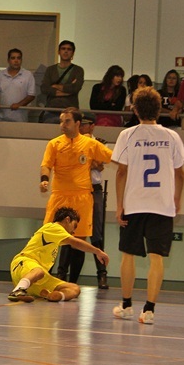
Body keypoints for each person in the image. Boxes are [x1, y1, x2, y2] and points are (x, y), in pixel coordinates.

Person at [111, 87, 184, 324]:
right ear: (159, 110)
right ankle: (150, 310)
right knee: (157, 258)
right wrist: (176, 199)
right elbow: (180, 173)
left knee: (128, 255)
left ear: (134, 109)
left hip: (134, 203)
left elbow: (121, 171)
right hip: (162, 205)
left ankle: (126, 305)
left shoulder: (127, 135)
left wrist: (119, 204)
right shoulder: (172, 136)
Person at [41, 107, 113, 285]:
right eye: (61, 121)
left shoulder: (90, 144)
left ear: (77, 124)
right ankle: (43, 278)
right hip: (59, 196)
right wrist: (44, 180)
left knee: (79, 241)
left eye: (67, 121)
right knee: (49, 238)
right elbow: (46, 165)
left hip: (82, 198)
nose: (62, 125)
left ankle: (72, 282)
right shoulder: (54, 144)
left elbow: (114, 157)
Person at [8, 206, 109, 303]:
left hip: (37, 280)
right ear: (67, 219)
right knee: (39, 271)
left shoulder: (56, 240)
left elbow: (74, 245)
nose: (73, 231)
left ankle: (54, 296)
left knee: (75, 288)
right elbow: (75, 242)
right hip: (23, 263)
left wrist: (59, 294)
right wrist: (98, 251)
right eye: (74, 226)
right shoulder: (52, 227)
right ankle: (17, 291)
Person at [79, 111, 110, 289]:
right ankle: (62, 272)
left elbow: (100, 164)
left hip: (94, 189)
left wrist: (88, 161)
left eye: (85, 124)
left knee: (97, 233)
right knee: (73, 232)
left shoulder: (99, 143)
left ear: (92, 126)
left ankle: (102, 273)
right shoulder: (75, 143)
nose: (81, 127)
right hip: (78, 189)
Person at [40, 40, 84, 123]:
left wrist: (55, 86)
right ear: (59, 52)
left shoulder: (78, 70)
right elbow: (45, 88)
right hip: (51, 110)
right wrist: (68, 90)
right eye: (63, 49)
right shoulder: (50, 69)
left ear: (73, 53)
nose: (66, 51)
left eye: (69, 49)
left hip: (71, 111)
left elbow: (75, 88)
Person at [0, 48, 36, 122]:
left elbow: (31, 95)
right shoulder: (0, 75)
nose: (16, 61)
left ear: (21, 60)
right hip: (1, 118)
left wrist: (19, 104)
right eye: (13, 58)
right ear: (8, 60)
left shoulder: (28, 75)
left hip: (20, 119)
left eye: (18, 58)